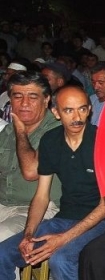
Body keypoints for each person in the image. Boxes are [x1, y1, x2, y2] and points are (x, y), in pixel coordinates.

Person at [0, 86, 105, 280]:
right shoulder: (51, 141)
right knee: (5, 252)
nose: (77, 117)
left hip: (100, 222)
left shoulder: (103, 141)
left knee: (62, 258)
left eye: (83, 109)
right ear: (56, 112)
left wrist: (62, 239)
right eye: (68, 110)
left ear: (90, 109)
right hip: (64, 218)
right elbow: (41, 195)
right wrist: (29, 234)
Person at [0, 73, 62, 244]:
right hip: (4, 205)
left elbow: (31, 171)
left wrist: (20, 130)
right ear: (10, 100)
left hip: (38, 210)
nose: (24, 103)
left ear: (46, 100)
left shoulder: (58, 130)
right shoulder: (6, 132)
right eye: (17, 97)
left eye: (32, 97)